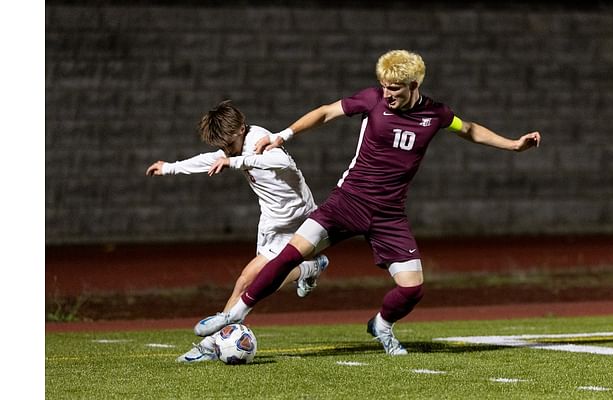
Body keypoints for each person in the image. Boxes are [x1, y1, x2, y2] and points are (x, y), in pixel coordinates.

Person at [194, 50, 541, 356]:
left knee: (413, 289)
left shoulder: (436, 114)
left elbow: (469, 129)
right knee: (290, 255)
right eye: (385, 86)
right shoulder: (371, 100)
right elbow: (327, 112)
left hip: (389, 214)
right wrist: (283, 135)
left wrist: (513, 145)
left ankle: (382, 324)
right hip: (348, 201)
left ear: (414, 85)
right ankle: (233, 315)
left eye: (396, 88)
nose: (388, 93)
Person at [145, 100, 329, 363]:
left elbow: (282, 163)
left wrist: (234, 162)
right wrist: (170, 167)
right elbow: (211, 159)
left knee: (250, 281)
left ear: (242, 128)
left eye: (229, 144)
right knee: (254, 282)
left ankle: (209, 345)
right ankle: (311, 268)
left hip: (298, 220)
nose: (226, 151)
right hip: (272, 224)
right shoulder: (233, 147)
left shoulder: (260, 139)